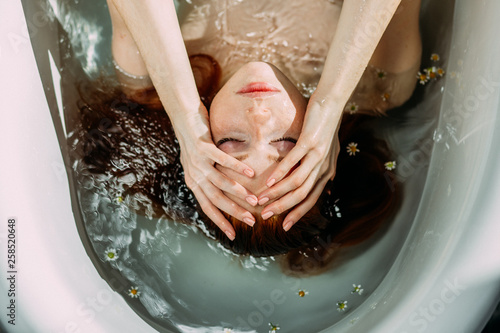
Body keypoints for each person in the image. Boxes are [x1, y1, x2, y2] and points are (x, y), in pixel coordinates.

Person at [71, 0, 421, 272]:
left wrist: (184, 114)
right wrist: (330, 100)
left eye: (231, 143)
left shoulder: (151, 81)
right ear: (324, 150)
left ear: (199, 152)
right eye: (286, 144)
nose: (258, 116)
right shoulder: (381, 82)